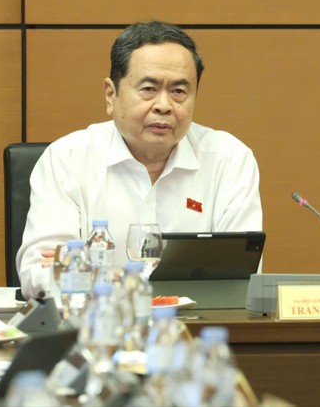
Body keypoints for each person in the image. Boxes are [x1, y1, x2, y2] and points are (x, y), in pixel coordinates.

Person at [16, 21, 263, 299]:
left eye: (179, 92)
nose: (164, 105)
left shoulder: (229, 160)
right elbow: (38, 275)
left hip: (196, 328)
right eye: (148, 88)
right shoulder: (68, 159)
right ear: (111, 95)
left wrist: (94, 273)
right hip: (94, 331)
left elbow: (240, 276)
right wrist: (123, 283)